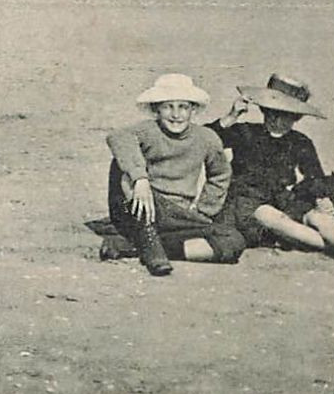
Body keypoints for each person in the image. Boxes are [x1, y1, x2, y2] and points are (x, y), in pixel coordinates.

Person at [103, 73, 245, 275]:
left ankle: (137, 248)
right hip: (141, 208)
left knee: (233, 241)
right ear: (156, 109)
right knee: (120, 166)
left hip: (179, 215)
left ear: (193, 110)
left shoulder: (206, 138)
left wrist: (204, 209)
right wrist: (141, 179)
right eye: (168, 106)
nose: (176, 115)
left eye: (183, 107)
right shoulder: (147, 131)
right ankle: (153, 251)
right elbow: (118, 137)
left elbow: (220, 174)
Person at [209, 74, 334, 255]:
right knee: (275, 219)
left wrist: (321, 199)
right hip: (248, 203)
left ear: (297, 117)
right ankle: (328, 247)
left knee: (322, 219)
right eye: (273, 113)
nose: (278, 121)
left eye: (287, 116)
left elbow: (315, 176)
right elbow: (205, 140)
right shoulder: (245, 132)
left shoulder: (300, 141)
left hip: (282, 199)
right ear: (264, 110)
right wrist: (231, 116)